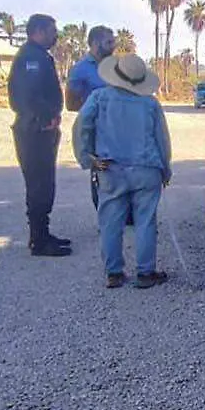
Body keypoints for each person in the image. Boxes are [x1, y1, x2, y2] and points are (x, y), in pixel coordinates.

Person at [76, 54, 172, 289]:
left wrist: (88, 157)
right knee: (146, 220)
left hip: (110, 168)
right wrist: (165, 168)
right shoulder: (150, 103)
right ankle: (146, 272)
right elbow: (162, 139)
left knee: (110, 221)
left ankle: (114, 273)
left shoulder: (99, 98)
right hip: (146, 168)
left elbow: (82, 126)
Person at [7, 13, 70, 257]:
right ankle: (39, 241)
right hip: (34, 130)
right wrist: (45, 117)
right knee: (38, 185)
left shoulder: (39, 56)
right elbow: (27, 97)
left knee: (45, 184)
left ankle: (42, 233)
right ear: (39, 31)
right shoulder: (30, 58)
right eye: (52, 31)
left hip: (42, 129)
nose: (56, 36)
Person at [66, 25, 129, 221]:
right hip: (97, 132)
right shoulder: (80, 70)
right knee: (102, 172)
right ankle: (106, 215)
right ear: (95, 43)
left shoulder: (117, 66)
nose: (114, 45)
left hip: (121, 128)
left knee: (125, 169)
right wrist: (95, 111)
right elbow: (71, 104)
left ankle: (127, 213)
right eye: (109, 42)